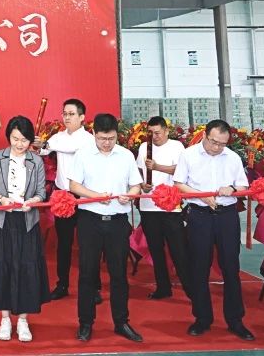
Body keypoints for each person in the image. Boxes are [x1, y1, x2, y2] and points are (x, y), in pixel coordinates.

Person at [173, 119, 254, 341]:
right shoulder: (188, 155)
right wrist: (201, 196)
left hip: (227, 216)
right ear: (204, 135)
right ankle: (202, 318)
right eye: (213, 142)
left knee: (231, 267)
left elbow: (244, 186)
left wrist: (233, 188)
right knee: (199, 267)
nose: (217, 147)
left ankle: (235, 320)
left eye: (222, 144)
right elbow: (179, 183)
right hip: (199, 216)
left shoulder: (233, 157)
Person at [69, 113, 144, 343]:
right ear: (94, 134)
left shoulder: (126, 155)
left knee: (119, 274)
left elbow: (136, 185)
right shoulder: (83, 154)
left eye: (111, 138)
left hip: (118, 222)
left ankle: (121, 322)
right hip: (90, 220)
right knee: (87, 274)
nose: (107, 143)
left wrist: (130, 195)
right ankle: (85, 323)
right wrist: (95, 196)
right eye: (102, 138)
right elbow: (74, 185)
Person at [0, 116, 49, 343]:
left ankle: (23, 320)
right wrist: (1, 199)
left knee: (26, 267)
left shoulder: (36, 161)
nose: (20, 144)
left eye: (24, 140)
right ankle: (4, 319)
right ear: (9, 137)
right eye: (15, 139)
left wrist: (33, 201)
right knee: (2, 266)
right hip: (2, 221)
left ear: (30, 140)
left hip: (27, 222)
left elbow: (41, 192)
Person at [43, 98, 96, 301]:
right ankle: (62, 284)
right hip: (63, 195)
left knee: (88, 244)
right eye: (64, 113)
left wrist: (49, 144)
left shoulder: (88, 139)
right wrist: (39, 144)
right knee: (63, 243)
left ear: (82, 117)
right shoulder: (58, 137)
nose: (67, 117)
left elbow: (72, 147)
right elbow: (44, 150)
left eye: (71, 114)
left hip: (84, 196)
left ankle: (93, 287)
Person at [136, 116, 192, 300]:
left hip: (170, 207)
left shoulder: (177, 147)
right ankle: (163, 287)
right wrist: (142, 185)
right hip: (148, 206)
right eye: (151, 133)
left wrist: (157, 166)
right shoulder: (144, 147)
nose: (154, 136)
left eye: (158, 133)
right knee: (155, 249)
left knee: (179, 250)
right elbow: (138, 171)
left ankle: (191, 289)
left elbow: (181, 170)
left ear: (167, 131)